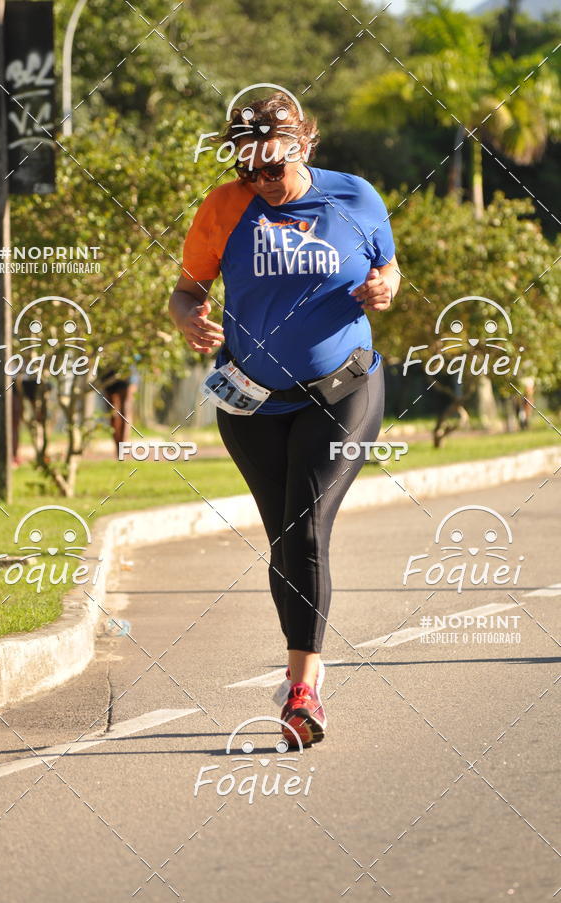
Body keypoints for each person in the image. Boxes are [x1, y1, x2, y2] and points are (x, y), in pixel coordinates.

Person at [169, 92, 400, 748]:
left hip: (344, 388)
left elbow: (387, 268)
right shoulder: (224, 206)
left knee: (305, 525)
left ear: (304, 144)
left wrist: (386, 285)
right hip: (252, 402)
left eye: (273, 168)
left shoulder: (354, 197)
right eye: (249, 169)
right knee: (283, 540)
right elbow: (187, 288)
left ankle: (303, 687)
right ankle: (301, 671)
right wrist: (186, 313)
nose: (262, 182)